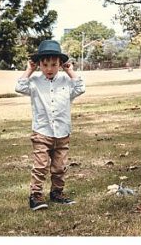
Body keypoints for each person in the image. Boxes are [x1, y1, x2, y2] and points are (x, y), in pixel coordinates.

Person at [15, 40, 86, 211]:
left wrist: (70, 71)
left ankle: (57, 193)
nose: (49, 68)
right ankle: (35, 195)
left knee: (59, 166)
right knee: (40, 165)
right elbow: (19, 86)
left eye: (54, 64)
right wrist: (29, 70)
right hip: (42, 132)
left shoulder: (66, 81)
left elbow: (81, 87)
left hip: (62, 133)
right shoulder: (35, 82)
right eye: (44, 64)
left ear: (60, 64)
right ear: (39, 64)